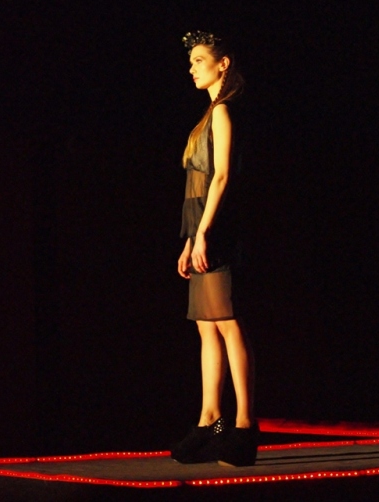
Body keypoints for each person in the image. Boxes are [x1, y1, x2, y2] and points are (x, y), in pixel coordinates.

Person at [170, 30, 258, 467]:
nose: (192, 68)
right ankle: (210, 418)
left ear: (223, 64)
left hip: (218, 230)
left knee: (227, 323)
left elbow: (221, 176)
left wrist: (204, 233)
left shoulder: (223, 111)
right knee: (207, 326)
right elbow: (198, 186)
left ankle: (244, 424)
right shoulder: (208, 114)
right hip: (202, 228)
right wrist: (190, 239)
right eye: (191, 61)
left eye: (199, 60)